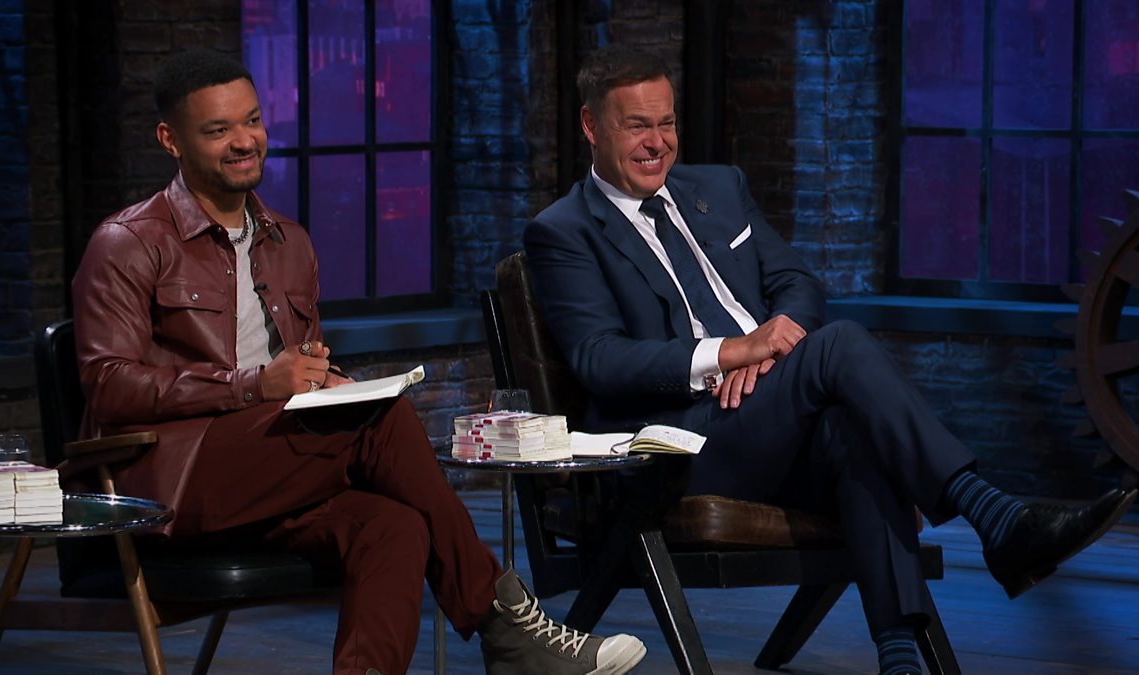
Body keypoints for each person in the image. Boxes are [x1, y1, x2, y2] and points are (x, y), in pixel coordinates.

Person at [523, 43, 1136, 675]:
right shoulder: (564, 231)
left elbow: (797, 283)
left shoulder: (719, 188)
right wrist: (736, 351)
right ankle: (994, 515)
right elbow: (601, 360)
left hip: (769, 417)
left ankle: (899, 658)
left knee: (856, 434)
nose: (657, 143)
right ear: (591, 125)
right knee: (839, 344)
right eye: (636, 126)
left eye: (667, 122)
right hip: (675, 448)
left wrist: (772, 352)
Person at [70, 48, 646, 675]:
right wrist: (251, 385)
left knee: (394, 526)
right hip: (175, 486)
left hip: (275, 474)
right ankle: (503, 618)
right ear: (171, 140)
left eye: (252, 121)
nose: (244, 141)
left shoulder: (290, 242)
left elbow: (300, 368)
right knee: (382, 421)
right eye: (218, 130)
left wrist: (326, 382)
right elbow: (109, 386)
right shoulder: (128, 242)